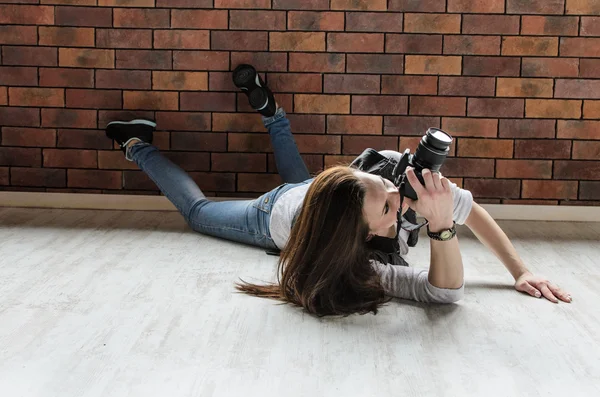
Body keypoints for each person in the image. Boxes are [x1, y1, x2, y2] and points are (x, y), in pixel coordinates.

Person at [105, 65, 571, 317]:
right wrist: (441, 230)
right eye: (387, 200)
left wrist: (520, 270)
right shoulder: (356, 242)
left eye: (390, 187)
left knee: (303, 180)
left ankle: (272, 114)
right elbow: (444, 295)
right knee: (198, 211)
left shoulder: (395, 185)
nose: (398, 193)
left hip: (317, 190)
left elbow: (470, 223)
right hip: (272, 214)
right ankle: (136, 143)